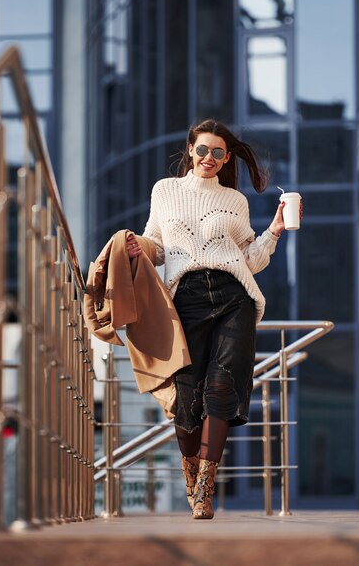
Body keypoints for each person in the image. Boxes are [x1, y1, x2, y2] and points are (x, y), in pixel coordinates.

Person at [126, 119, 302, 519]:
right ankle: (191, 474)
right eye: (203, 150)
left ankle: (205, 486)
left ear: (226, 158)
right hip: (184, 298)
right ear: (190, 150)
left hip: (233, 297)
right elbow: (157, 246)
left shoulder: (235, 202)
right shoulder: (165, 191)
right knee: (187, 397)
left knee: (222, 390)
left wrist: (274, 229)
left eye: (218, 153)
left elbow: (250, 260)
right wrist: (137, 246)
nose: (209, 158)